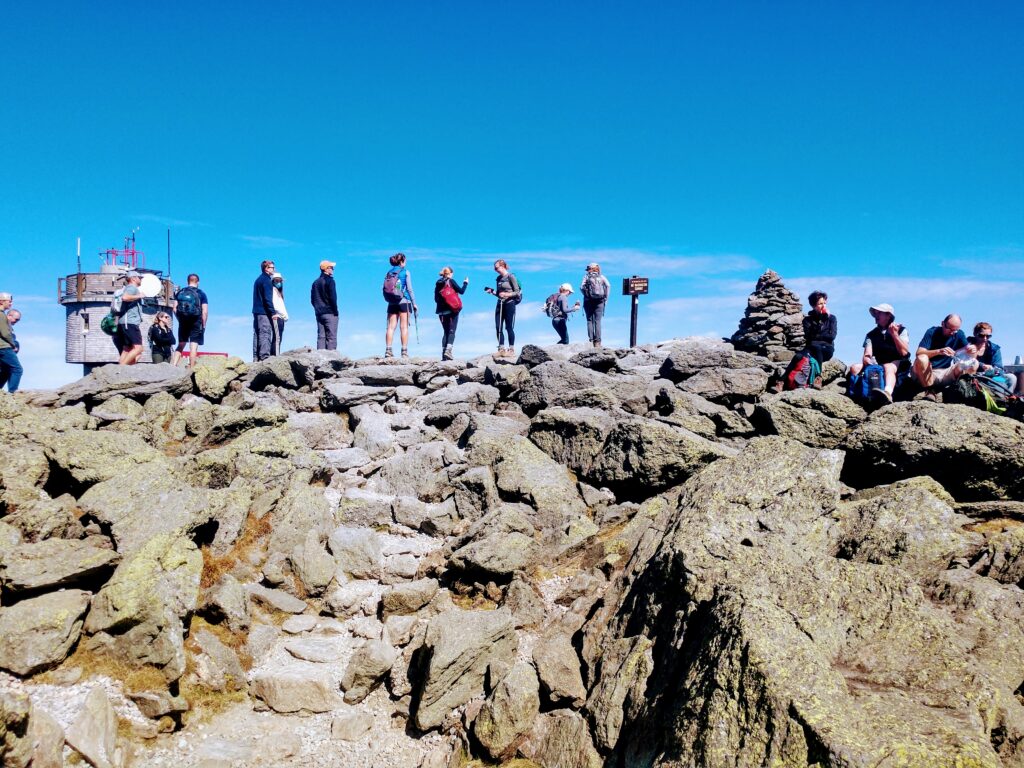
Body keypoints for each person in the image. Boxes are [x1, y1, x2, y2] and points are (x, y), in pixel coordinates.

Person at [847, 303, 911, 403]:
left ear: (888, 315)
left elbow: (904, 353)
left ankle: (887, 393)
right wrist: (867, 359)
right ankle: (858, 394)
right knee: (854, 368)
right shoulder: (871, 334)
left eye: (879, 313)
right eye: (875, 313)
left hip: (898, 363)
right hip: (879, 363)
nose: (876, 316)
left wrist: (894, 335)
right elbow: (867, 354)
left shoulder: (901, 330)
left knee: (889, 367)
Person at [912, 313, 971, 401]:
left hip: (944, 373)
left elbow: (968, 351)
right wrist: (939, 351)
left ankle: (965, 391)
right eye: (950, 329)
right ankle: (929, 391)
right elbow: (919, 353)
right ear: (943, 323)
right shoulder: (932, 332)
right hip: (925, 373)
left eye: (955, 330)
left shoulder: (959, 334)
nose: (952, 332)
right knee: (922, 358)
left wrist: (971, 350)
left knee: (970, 363)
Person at [484, 259, 521, 358]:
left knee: (509, 327)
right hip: (500, 304)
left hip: (510, 303)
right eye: (494, 268)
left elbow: (517, 292)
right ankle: (501, 349)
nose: (495, 269)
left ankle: (511, 349)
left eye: (496, 267)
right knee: (498, 327)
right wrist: (492, 292)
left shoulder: (511, 276)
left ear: (503, 266)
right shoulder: (498, 279)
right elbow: (499, 294)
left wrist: (507, 294)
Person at [171, 273, 208, 369]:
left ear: (187, 281)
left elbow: (174, 308)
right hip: (196, 321)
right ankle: (191, 368)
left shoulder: (180, 292)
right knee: (193, 345)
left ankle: (173, 366)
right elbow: (205, 311)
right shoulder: (201, 293)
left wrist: (180, 319)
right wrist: (204, 324)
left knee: (181, 344)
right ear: (198, 282)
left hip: (183, 321)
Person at [383, 253, 417, 359]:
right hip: (404, 301)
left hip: (392, 302)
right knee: (404, 327)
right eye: (405, 261)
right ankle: (404, 352)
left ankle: (388, 350)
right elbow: (409, 289)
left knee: (391, 327)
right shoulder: (405, 272)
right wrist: (414, 303)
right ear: (401, 261)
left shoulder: (389, 272)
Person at [970, 321, 1017, 392]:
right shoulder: (967, 344)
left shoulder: (994, 349)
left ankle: (1007, 399)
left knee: (1011, 378)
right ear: (975, 334)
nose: (985, 338)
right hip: (973, 377)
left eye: (988, 336)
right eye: (981, 335)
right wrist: (982, 365)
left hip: (991, 378)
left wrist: (992, 370)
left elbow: (1000, 370)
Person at [434, 266, 468, 360]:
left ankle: (443, 355)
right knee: (451, 331)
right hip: (452, 310)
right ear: (451, 273)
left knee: (445, 332)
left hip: (441, 312)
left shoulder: (438, 283)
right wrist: (465, 283)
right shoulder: (451, 281)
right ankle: (448, 352)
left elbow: (436, 299)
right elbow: (461, 291)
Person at [114, 271, 145, 366]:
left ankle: (121, 370)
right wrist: (140, 295)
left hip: (123, 322)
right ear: (133, 278)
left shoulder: (126, 288)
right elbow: (125, 297)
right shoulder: (132, 288)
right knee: (138, 348)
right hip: (130, 323)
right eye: (140, 277)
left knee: (127, 348)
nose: (141, 279)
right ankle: (121, 368)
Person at [252, 260, 279, 361]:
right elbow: (268, 298)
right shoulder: (266, 280)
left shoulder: (258, 280)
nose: (274, 269)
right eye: (272, 267)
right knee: (265, 333)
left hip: (256, 311)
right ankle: (264, 357)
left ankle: (256, 357)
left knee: (257, 334)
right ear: (266, 268)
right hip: (264, 312)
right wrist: (273, 312)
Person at [580, 263, 612, 349]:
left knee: (590, 320)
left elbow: (581, 287)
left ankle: (591, 340)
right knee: (598, 321)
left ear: (590, 269)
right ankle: (597, 342)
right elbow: (608, 285)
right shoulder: (601, 277)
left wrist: (586, 295)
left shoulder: (586, 277)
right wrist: (606, 298)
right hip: (600, 301)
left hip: (588, 301)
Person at [802, 290, 837, 366]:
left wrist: (817, 337)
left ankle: (818, 374)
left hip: (826, 348)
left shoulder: (832, 318)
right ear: (813, 306)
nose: (824, 306)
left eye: (824, 303)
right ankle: (783, 377)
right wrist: (820, 320)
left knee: (817, 348)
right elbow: (809, 337)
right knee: (798, 356)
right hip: (811, 347)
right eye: (820, 304)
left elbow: (832, 336)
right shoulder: (807, 320)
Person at [311, 260, 339, 351]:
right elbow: (333, 298)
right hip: (330, 313)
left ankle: (320, 359)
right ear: (326, 269)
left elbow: (312, 299)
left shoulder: (315, 283)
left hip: (319, 313)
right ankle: (331, 360)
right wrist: (335, 311)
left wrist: (317, 309)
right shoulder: (330, 281)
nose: (333, 269)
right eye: (331, 268)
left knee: (321, 336)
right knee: (331, 337)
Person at [0, 295, 23, 392]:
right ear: (1, 301)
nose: (11, 303)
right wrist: (13, 345)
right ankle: (13, 394)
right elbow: (5, 333)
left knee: (6, 371)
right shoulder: (1, 315)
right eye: (9, 301)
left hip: (3, 347)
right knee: (17, 369)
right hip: (4, 348)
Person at [271, 272, 289, 355]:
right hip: (278, 317)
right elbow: (275, 305)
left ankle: (275, 354)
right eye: (277, 281)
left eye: (280, 281)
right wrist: (283, 315)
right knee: (277, 338)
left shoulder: (278, 292)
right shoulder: (273, 291)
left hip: (281, 318)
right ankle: (275, 356)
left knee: (278, 338)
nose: (279, 282)